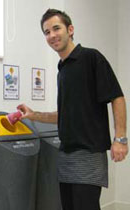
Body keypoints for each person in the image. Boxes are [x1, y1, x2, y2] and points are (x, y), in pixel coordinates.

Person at [17, 9, 128, 210]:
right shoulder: (63, 70)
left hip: (89, 153)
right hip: (66, 155)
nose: (52, 35)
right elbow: (65, 114)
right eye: (47, 32)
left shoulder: (91, 58)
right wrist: (34, 115)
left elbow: (116, 97)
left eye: (56, 28)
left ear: (70, 29)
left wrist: (120, 138)